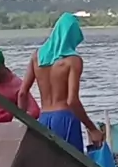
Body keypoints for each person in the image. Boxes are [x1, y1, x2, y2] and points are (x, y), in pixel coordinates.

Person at [18, 12, 103, 152]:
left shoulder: (36, 57)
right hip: (65, 118)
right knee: (72, 163)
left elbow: (22, 93)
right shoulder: (73, 61)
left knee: (48, 162)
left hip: (44, 118)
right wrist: (92, 129)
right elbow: (72, 101)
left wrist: (23, 122)